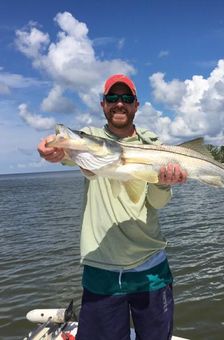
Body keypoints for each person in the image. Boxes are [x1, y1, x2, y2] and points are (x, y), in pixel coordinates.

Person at [37, 74, 187, 340]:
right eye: (113, 98)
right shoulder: (91, 141)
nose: (120, 104)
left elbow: (157, 203)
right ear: (103, 105)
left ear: (136, 105)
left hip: (150, 268)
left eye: (126, 98)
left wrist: (163, 184)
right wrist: (50, 148)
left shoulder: (153, 146)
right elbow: (62, 151)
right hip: (101, 270)